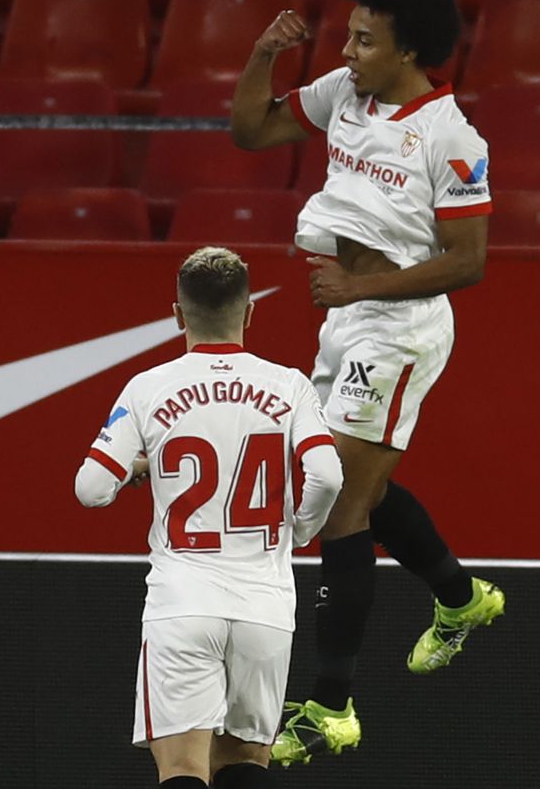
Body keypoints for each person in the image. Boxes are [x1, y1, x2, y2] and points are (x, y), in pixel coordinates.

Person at [229, 0, 505, 764]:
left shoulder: (452, 138)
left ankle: (330, 706)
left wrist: (356, 287)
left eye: (365, 39)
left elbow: (470, 261)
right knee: (358, 485)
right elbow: (251, 131)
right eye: (347, 34)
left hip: (399, 327)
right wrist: (260, 58)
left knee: (336, 502)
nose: (348, 50)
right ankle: (460, 597)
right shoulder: (343, 93)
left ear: (410, 49)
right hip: (347, 318)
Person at [74, 247, 343, 789]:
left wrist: (137, 470)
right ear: (248, 314)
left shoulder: (147, 387)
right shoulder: (288, 385)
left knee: (182, 770)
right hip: (265, 606)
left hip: (183, 603)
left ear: (177, 314)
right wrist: (302, 528)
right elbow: (329, 475)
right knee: (246, 762)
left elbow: (90, 488)